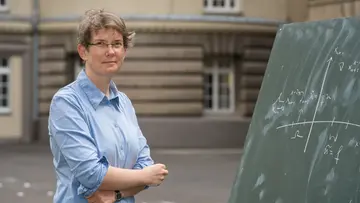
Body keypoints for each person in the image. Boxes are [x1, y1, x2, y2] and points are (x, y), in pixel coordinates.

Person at [48, 9, 169, 203]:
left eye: (117, 44)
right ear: (83, 51)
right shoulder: (66, 102)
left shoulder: (124, 103)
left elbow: (144, 161)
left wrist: (118, 194)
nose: (110, 51)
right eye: (101, 43)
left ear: (124, 51)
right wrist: (145, 176)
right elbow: (92, 174)